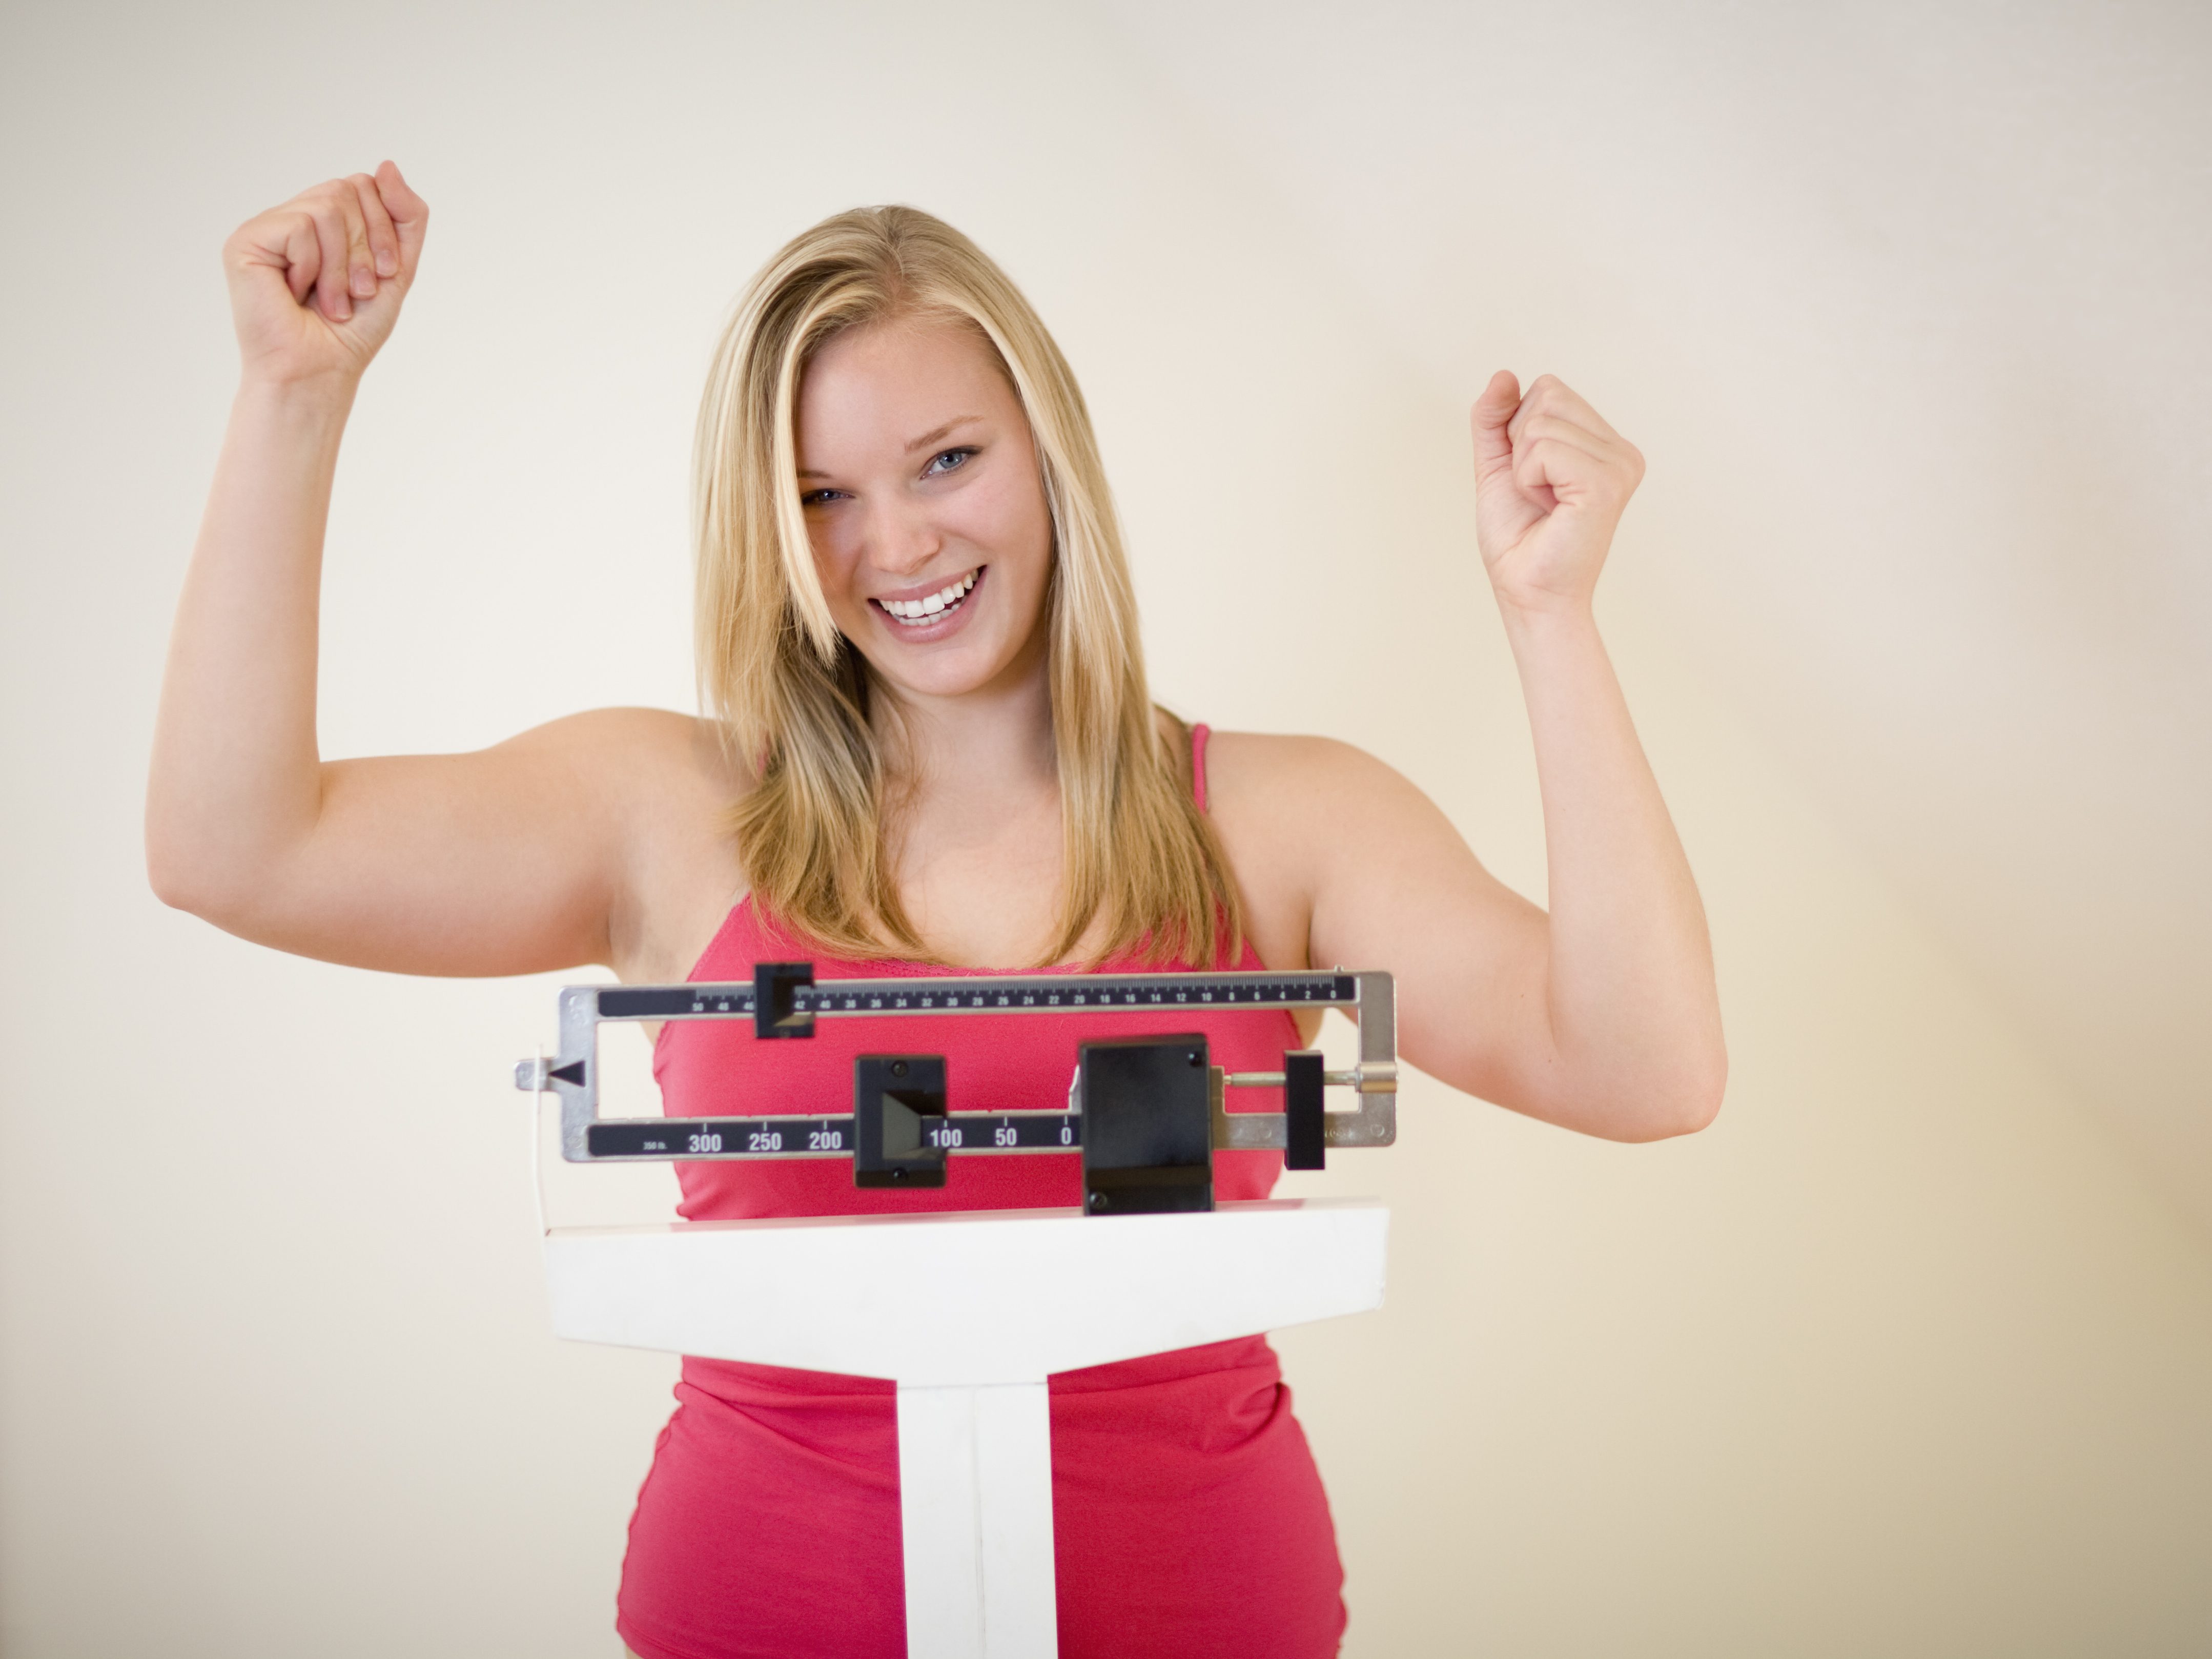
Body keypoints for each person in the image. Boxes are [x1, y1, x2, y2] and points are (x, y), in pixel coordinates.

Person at [147, 162, 1726, 1658]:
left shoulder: (1281, 820)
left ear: (1047, 451)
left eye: (946, 461)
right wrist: (296, 394)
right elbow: (234, 850)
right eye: (822, 493)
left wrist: (1548, 615)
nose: (894, 546)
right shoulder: (667, 815)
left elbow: (1641, 1071)